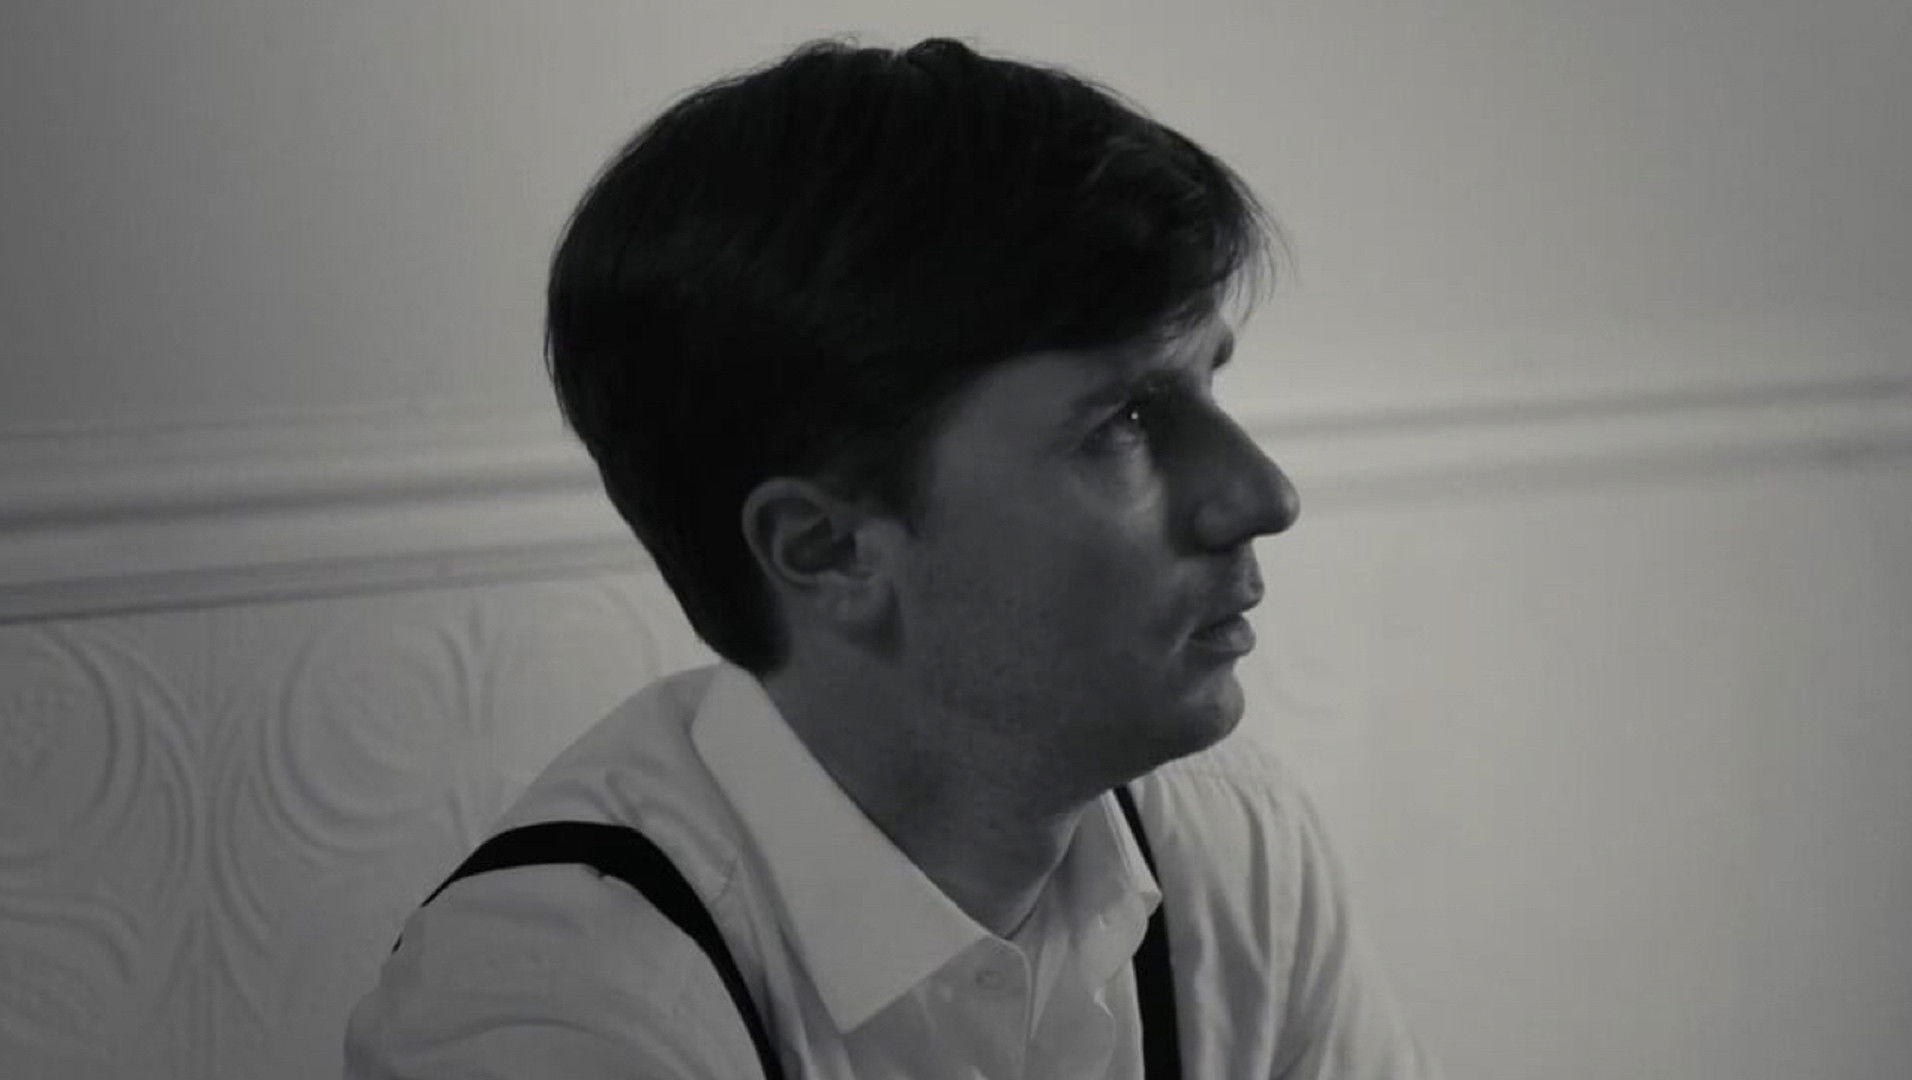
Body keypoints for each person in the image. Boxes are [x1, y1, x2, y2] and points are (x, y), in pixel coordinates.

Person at [345, 34, 1439, 1079]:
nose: (1262, 495)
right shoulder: (547, 1016)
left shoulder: (1233, 849)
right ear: (829, 550)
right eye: (1124, 419)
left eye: (1209, 380)